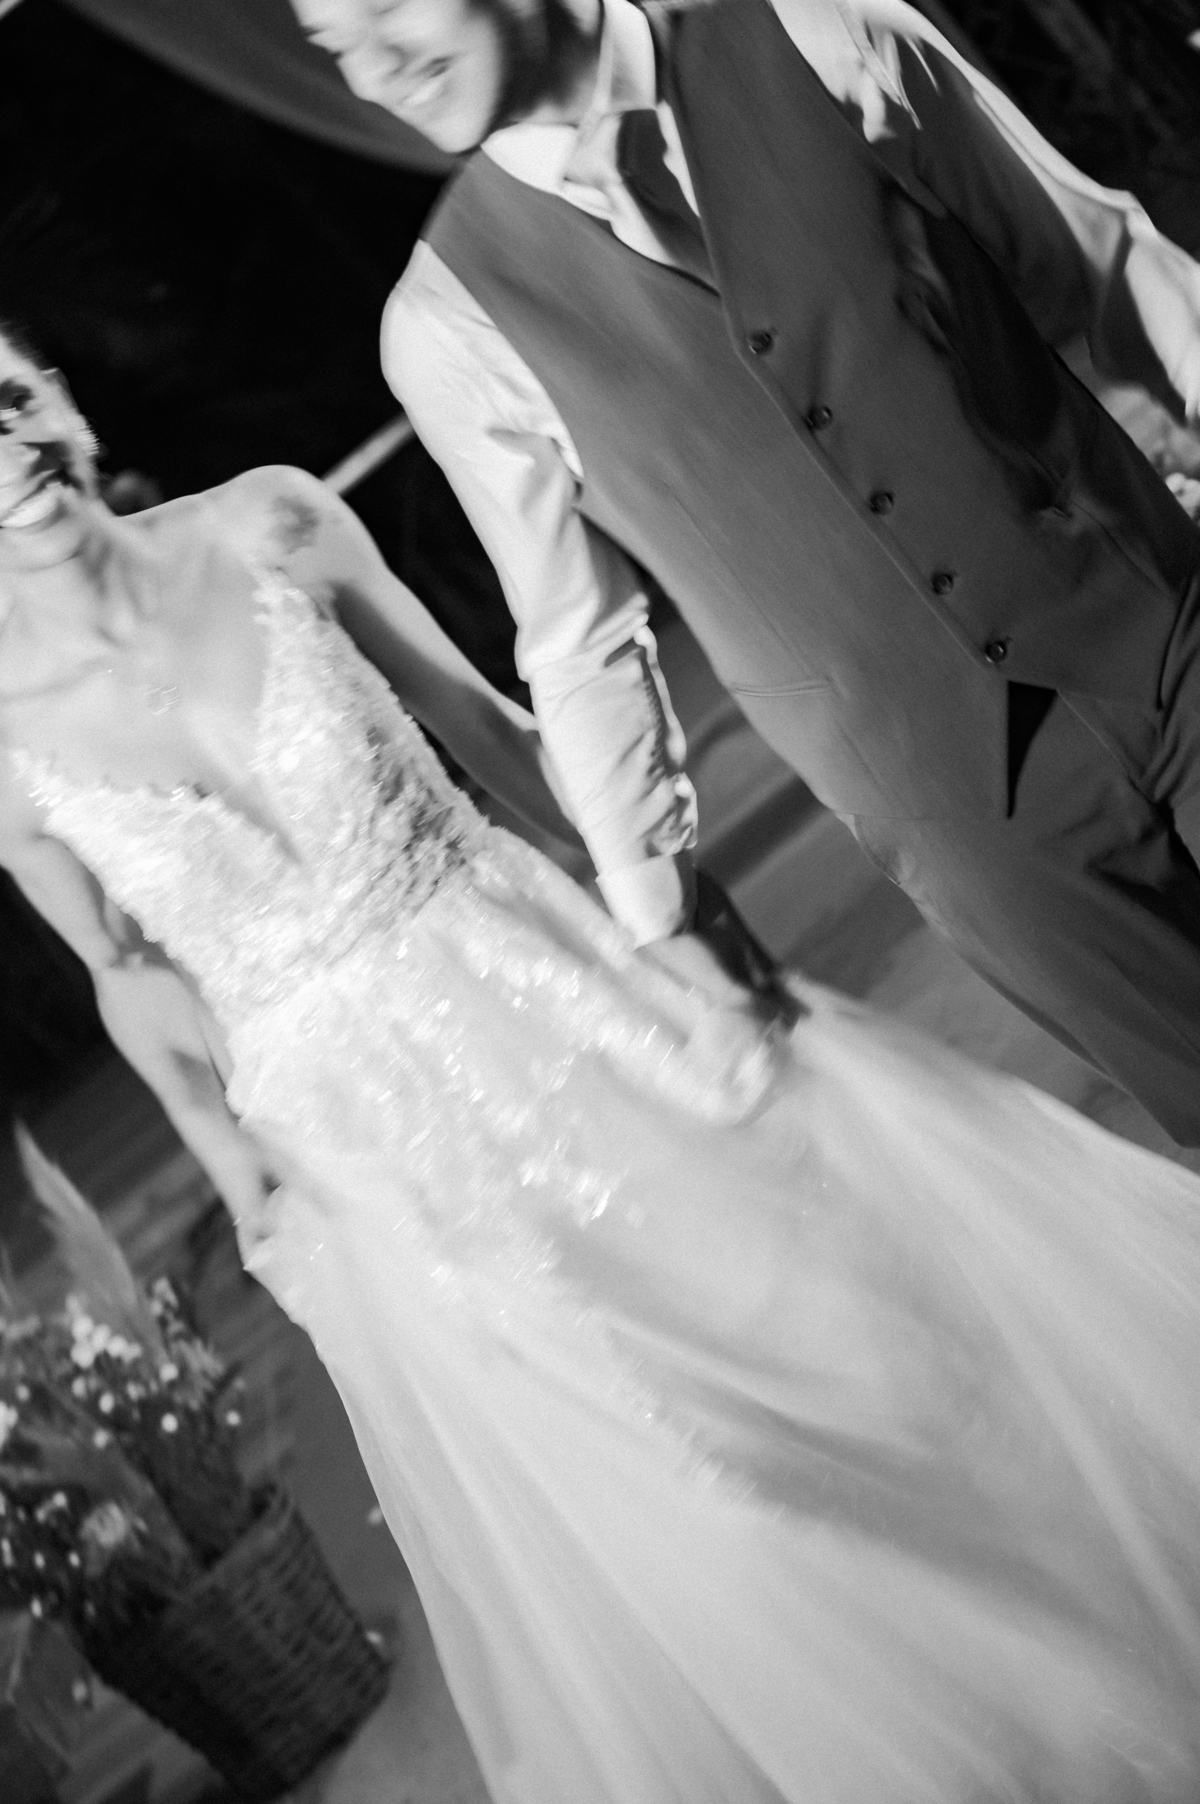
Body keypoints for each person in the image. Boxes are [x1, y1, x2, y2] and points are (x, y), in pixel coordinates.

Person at [8, 330, 1200, 1800]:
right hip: (376, 1149)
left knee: (848, 1319)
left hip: (551, 989)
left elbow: (488, 728)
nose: (8, 451)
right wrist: (238, 1175)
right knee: (678, 1468)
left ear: (63, 396)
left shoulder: (274, 521)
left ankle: (1092, 1610)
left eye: (11, 398)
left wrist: (670, 907)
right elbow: (123, 967)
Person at [292, 0, 1200, 1149]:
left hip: (1161, 623)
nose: (376, 68)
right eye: (333, 46)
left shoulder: (817, 30)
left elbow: (1101, 259)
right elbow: (578, 639)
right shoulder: (448, 325)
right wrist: (659, 915)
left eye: (384, 5)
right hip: (967, 828)